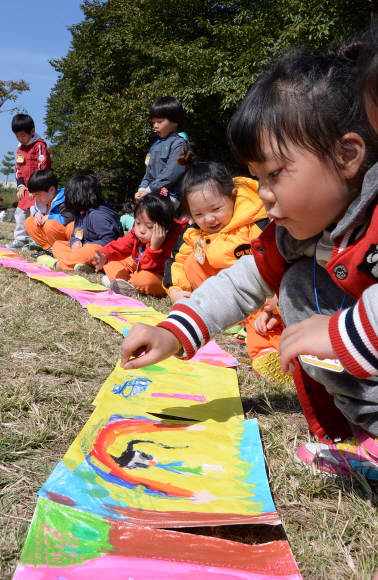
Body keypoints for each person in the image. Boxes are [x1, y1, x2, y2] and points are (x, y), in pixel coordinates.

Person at [119, 48, 378, 481]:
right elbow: (240, 282)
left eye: (274, 174)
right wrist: (171, 332)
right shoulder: (296, 233)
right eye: (257, 177)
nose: (264, 192)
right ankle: (365, 433)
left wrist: (341, 333)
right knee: (297, 281)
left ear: (346, 156)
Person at [163, 146, 283, 367]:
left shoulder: (257, 220)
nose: (209, 219)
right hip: (225, 293)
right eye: (198, 214)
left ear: (233, 196)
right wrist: (177, 290)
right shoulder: (194, 231)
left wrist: (277, 295)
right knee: (192, 262)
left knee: (263, 321)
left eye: (216, 209)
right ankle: (236, 322)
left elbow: (277, 259)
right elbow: (176, 261)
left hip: (259, 291)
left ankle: (266, 350)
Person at [92, 194, 188, 296]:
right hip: (139, 266)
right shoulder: (137, 233)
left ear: (166, 227)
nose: (141, 230)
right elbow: (121, 245)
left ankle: (125, 283)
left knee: (144, 279)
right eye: (137, 223)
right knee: (111, 262)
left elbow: (152, 269)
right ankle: (124, 284)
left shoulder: (174, 240)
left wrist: (154, 247)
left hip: (160, 275)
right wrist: (105, 255)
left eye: (149, 226)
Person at [37, 175, 123, 272]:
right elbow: (75, 234)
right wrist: (74, 241)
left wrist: (86, 246)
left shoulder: (96, 215)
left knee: (91, 249)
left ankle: (59, 264)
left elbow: (110, 242)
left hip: (103, 255)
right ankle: (82, 263)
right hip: (84, 251)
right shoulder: (79, 214)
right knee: (57, 245)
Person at [5, 114, 51, 251]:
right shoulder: (20, 148)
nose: (20, 139)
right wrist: (20, 186)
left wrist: (34, 188)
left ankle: (39, 241)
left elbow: (42, 168)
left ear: (32, 131)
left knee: (37, 213)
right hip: (25, 190)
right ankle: (20, 239)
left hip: (39, 189)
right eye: (17, 136)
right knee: (19, 213)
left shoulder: (40, 146)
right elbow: (18, 168)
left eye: (23, 135)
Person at [134, 96, 189, 208]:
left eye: (160, 121)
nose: (155, 126)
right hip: (153, 192)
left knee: (150, 216)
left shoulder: (179, 143)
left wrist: (149, 190)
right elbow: (149, 173)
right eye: (153, 122)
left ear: (175, 122)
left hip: (170, 195)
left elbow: (172, 172)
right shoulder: (155, 145)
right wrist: (142, 189)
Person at [24, 170, 74, 254]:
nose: (38, 199)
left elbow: (69, 218)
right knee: (29, 222)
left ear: (51, 189)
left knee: (49, 224)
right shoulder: (45, 199)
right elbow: (35, 208)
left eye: (39, 195)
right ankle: (50, 248)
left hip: (66, 235)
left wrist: (49, 217)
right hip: (52, 234)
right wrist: (36, 214)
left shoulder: (64, 200)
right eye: (35, 196)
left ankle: (63, 249)